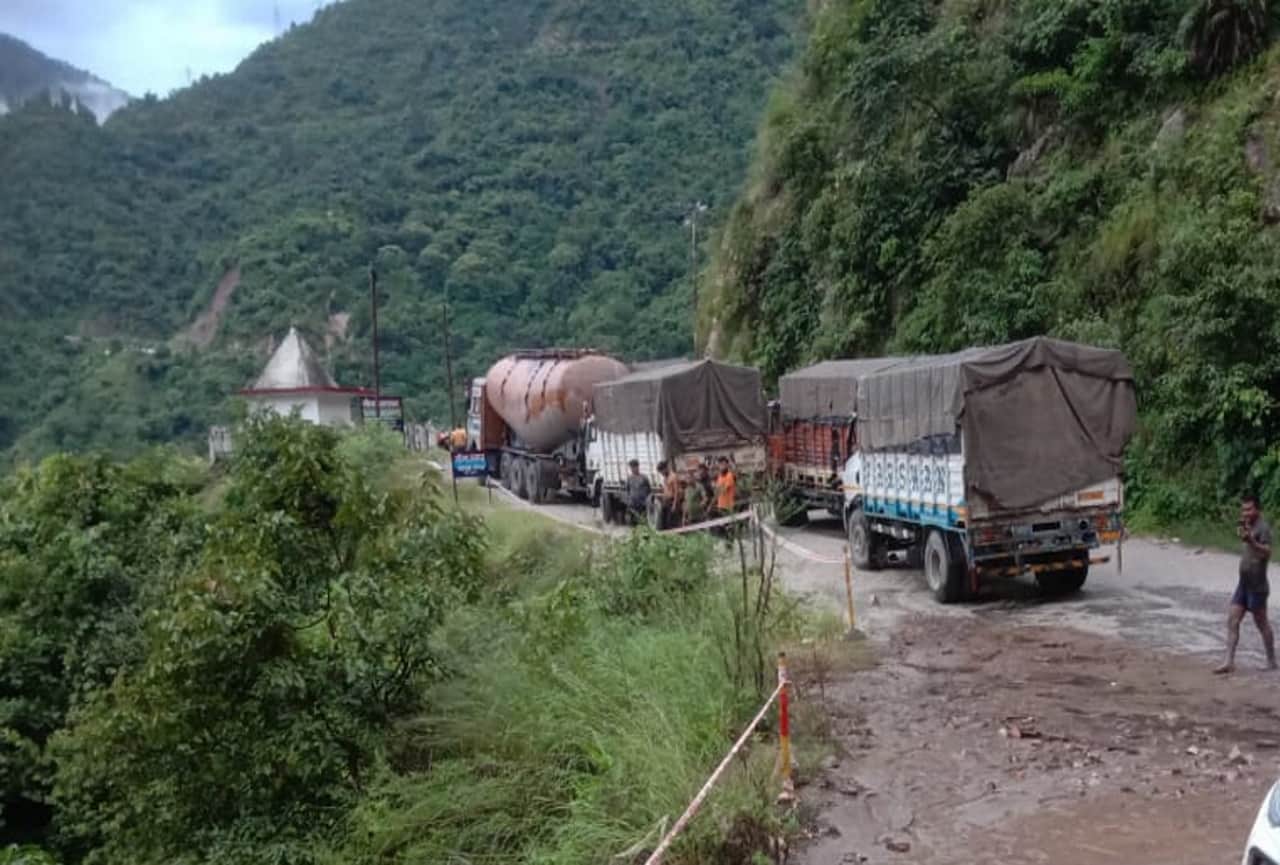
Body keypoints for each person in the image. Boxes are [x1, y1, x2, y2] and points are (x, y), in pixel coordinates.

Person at [1216, 494, 1276, 674]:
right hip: (1243, 584)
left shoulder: (1263, 528)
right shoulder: (1246, 525)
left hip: (1257, 586)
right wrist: (1245, 535)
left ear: (1257, 509)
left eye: (1249, 509)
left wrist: (1252, 541)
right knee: (1232, 620)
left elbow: (1267, 552)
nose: (1246, 512)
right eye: (1243, 509)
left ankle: (1271, 661)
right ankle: (1229, 661)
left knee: (1262, 624)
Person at [625, 459, 651, 526]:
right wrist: (629, 502)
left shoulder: (644, 477)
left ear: (638, 467)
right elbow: (627, 490)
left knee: (643, 522)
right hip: (633, 504)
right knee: (633, 523)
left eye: (634, 467)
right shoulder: (629, 478)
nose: (633, 469)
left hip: (642, 504)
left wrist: (646, 500)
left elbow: (649, 490)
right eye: (632, 467)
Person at [658, 460, 681, 530]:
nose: (661, 473)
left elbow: (677, 492)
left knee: (671, 522)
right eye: (660, 472)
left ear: (665, 468)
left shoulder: (673, 476)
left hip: (672, 501)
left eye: (662, 471)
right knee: (663, 522)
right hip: (665, 502)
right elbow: (666, 490)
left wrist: (674, 505)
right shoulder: (665, 478)